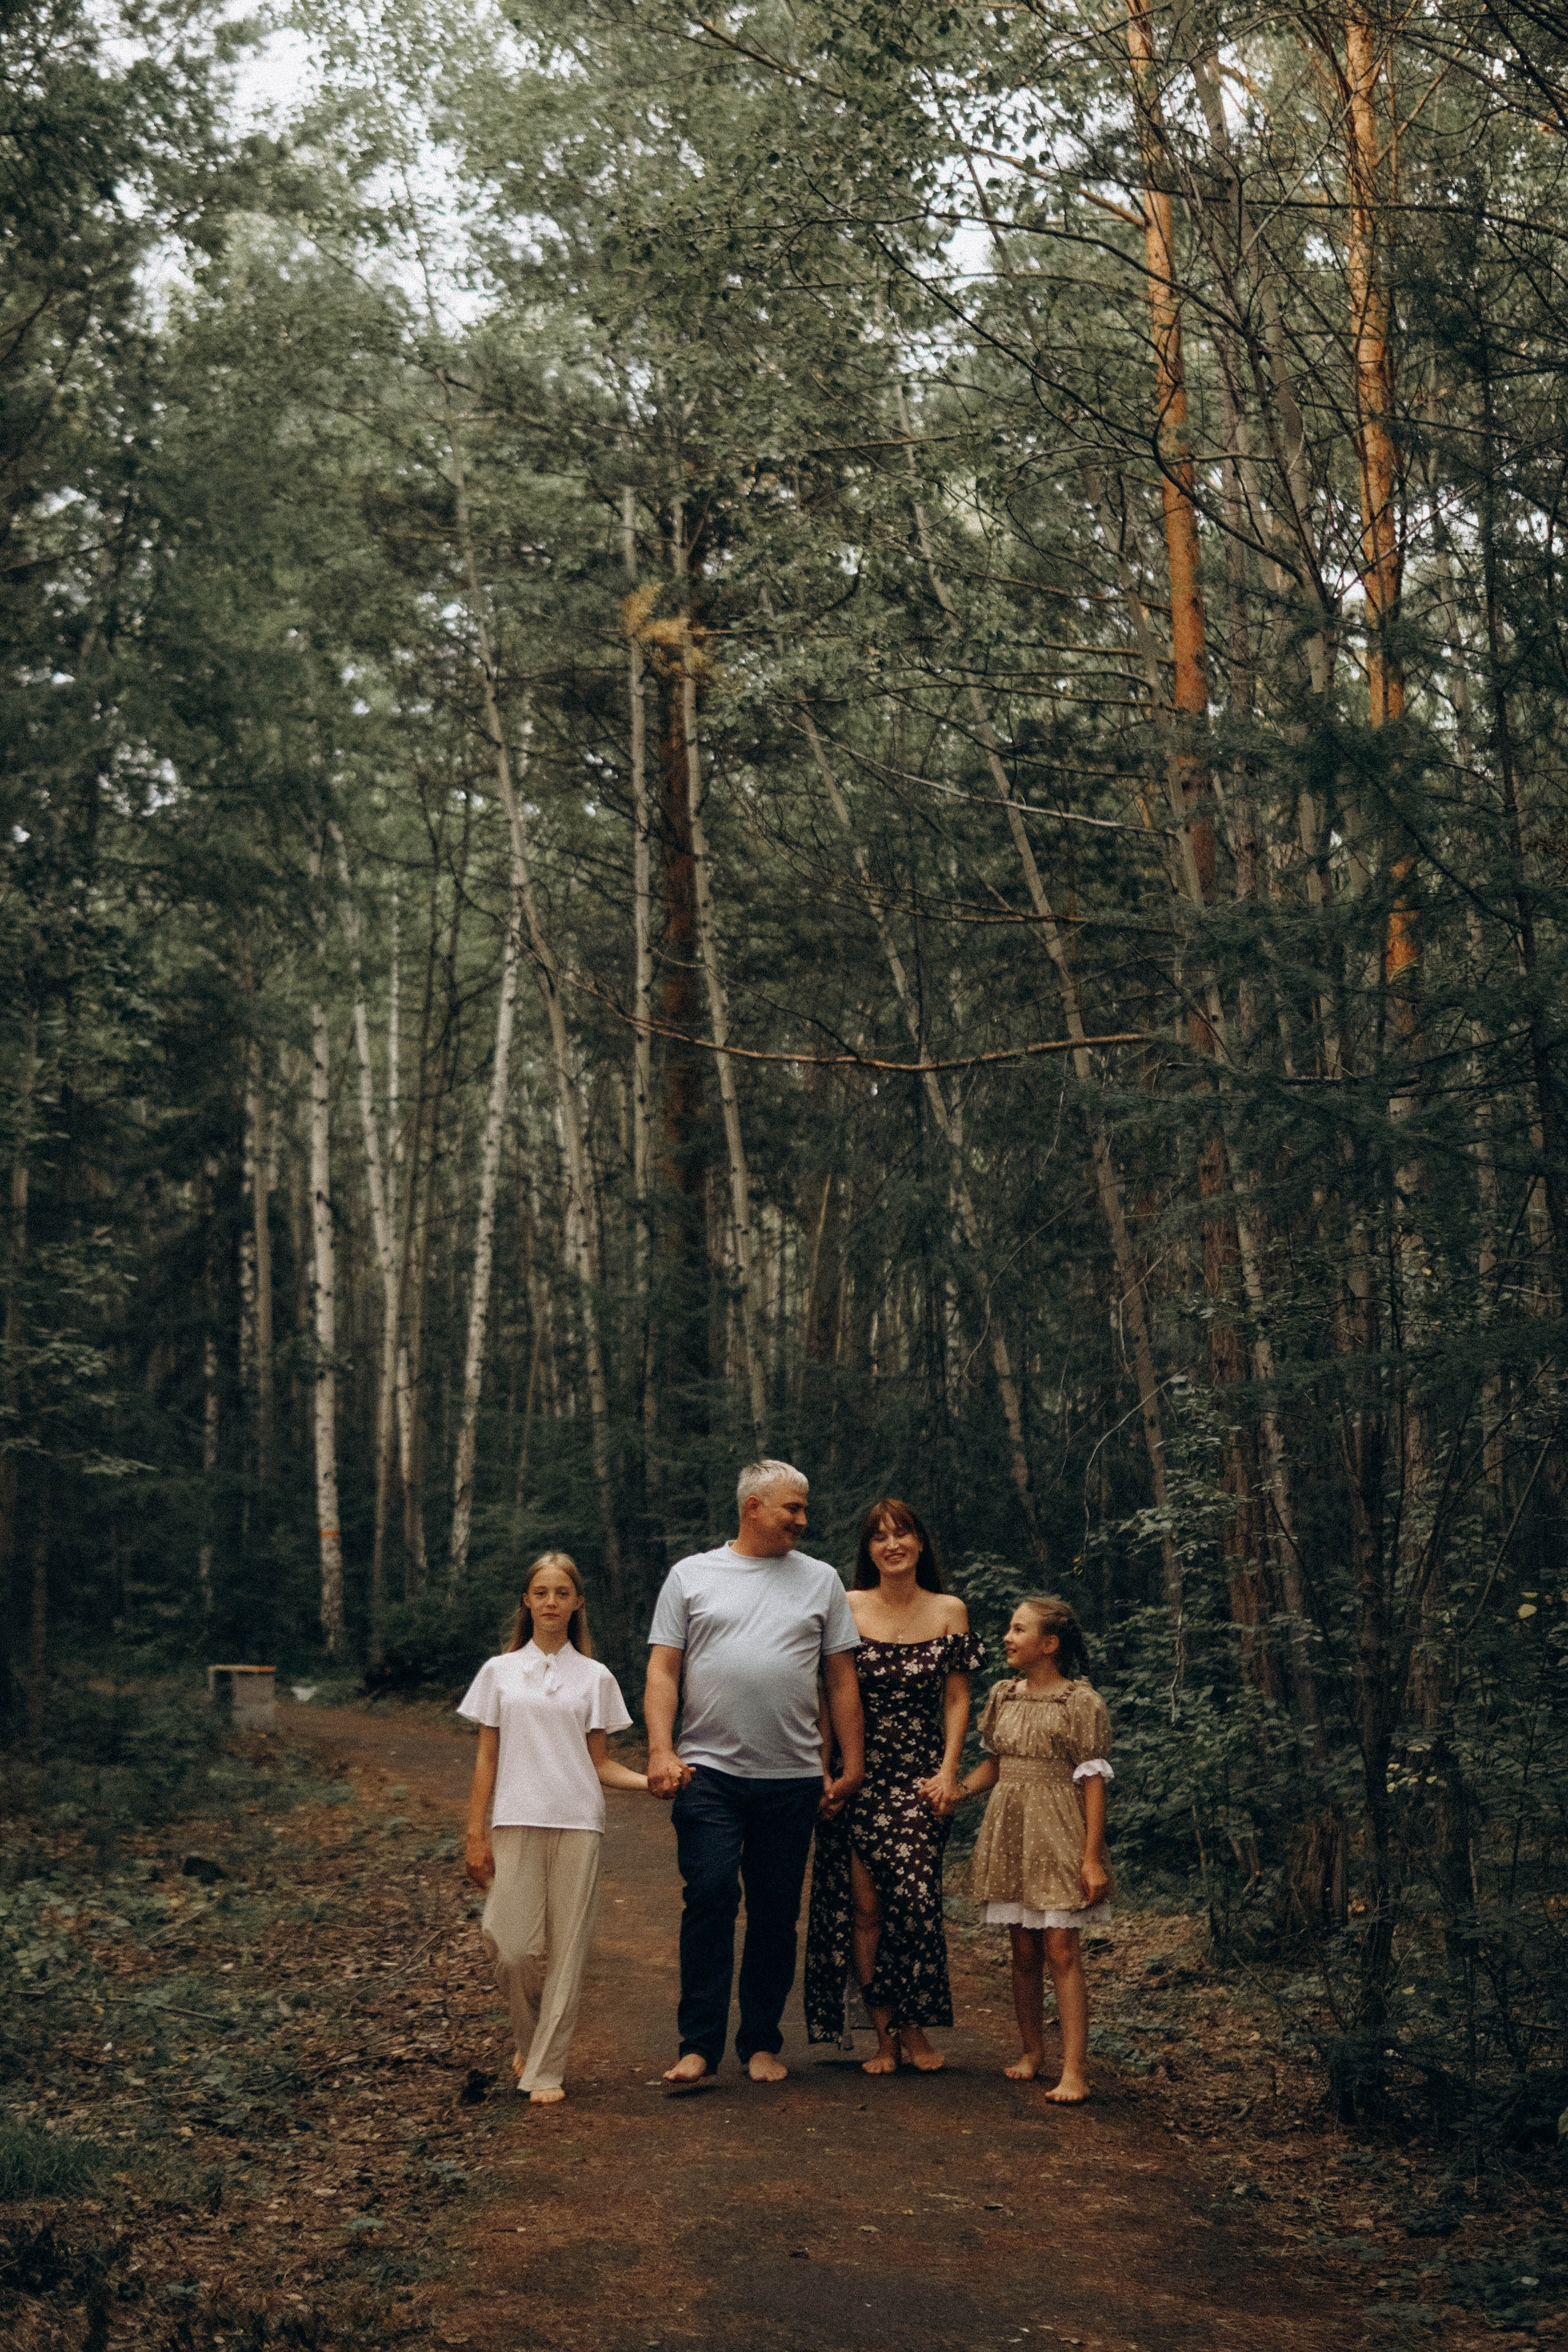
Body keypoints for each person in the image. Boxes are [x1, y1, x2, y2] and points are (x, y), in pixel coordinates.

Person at [646, 1458, 865, 2085]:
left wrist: (851, 1764)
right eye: (792, 1508)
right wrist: (661, 1749)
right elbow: (663, 1670)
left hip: (791, 1776)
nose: (803, 1519)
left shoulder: (820, 1580)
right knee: (710, 1896)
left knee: (774, 1913)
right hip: (706, 1771)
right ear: (753, 1508)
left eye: (802, 1508)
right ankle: (698, 2045)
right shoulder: (691, 1576)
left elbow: (841, 1678)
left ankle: (762, 2043)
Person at [459, 1551, 648, 2105]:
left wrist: (652, 1782)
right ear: (527, 1600)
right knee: (509, 1946)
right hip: (514, 1820)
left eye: (562, 1593)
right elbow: (486, 1760)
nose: (551, 1602)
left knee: (567, 1953)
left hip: (577, 1823)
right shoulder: (499, 1672)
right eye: (541, 1592)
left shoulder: (595, 1677)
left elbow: (601, 1763)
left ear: (577, 1602)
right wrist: (475, 1833)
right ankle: (531, 2038)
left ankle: (545, 2069)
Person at [804, 1498, 983, 2074]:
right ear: (868, 1550)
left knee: (916, 1900)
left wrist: (950, 1770)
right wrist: (826, 1771)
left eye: (901, 1533)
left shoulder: (950, 1610)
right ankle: (884, 2038)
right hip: (859, 1771)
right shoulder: (848, 1606)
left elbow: (958, 1697)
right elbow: (830, 1695)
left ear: (920, 1543)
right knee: (864, 1911)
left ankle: (917, 2028)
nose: (891, 1545)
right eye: (879, 1537)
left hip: (922, 1775)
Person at [956, 1594, 1113, 2103]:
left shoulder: (1079, 1702)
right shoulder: (1004, 1695)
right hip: (1011, 1831)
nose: (1007, 1637)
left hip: (1059, 1831)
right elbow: (997, 1764)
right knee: (1022, 1949)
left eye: (1019, 1630)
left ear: (1049, 1644)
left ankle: (1074, 2070)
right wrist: (956, 1791)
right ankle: (1031, 2051)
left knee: (1061, 1948)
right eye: (1010, 1628)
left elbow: (1092, 1781)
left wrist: (1091, 1858)